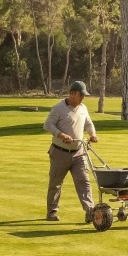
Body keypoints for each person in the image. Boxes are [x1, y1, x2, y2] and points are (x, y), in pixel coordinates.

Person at [43, 80, 98, 223]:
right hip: (59, 153)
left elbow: (88, 123)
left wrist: (92, 134)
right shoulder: (58, 108)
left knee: (84, 182)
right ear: (72, 93)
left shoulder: (83, 108)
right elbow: (48, 124)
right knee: (55, 183)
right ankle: (52, 212)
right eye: (81, 95)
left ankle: (90, 212)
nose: (83, 98)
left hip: (79, 153)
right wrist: (61, 135)